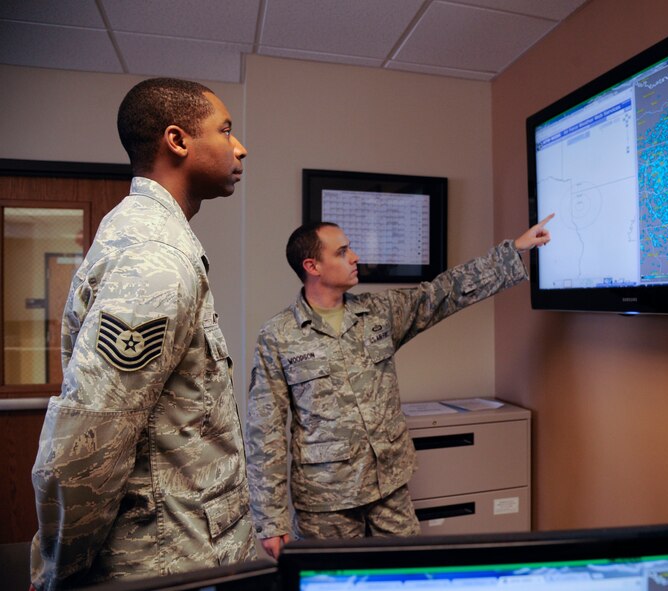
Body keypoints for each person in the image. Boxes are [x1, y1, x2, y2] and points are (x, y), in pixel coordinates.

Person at [29, 78, 255, 590]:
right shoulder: (153, 258)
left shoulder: (152, 237)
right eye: (225, 130)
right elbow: (87, 444)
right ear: (178, 141)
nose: (240, 147)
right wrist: (59, 573)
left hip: (192, 546)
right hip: (168, 562)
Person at [245, 214, 553, 558]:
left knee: (406, 573)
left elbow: (443, 292)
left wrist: (515, 250)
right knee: (330, 583)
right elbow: (265, 430)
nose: (355, 257)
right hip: (326, 501)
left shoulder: (381, 312)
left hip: (389, 487)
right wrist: (271, 520)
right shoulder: (278, 336)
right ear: (312, 266)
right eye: (343, 251)